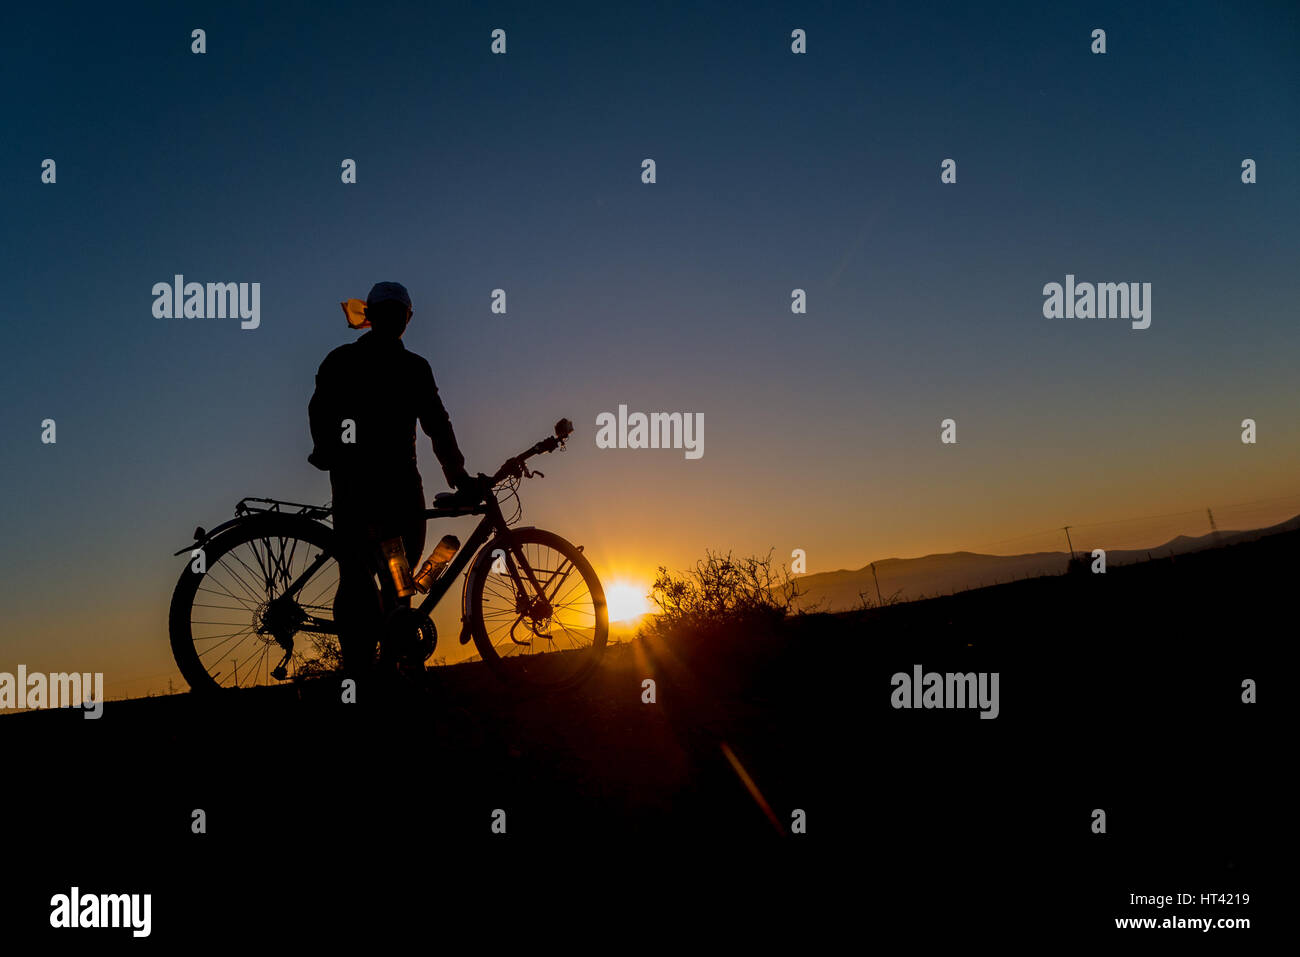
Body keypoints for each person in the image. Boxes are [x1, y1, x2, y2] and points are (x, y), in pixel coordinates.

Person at [307, 281, 475, 673]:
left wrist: (328, 453)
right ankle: (389, 668)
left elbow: (319, 413)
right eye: (394, 314)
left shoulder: (342, 360)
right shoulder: (411, 366)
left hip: (357, 485)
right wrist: (458, 474)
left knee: (363, 577)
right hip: (393, 486)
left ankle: (369, 671)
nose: (397, 320)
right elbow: (437, 423)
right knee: (386, 579)